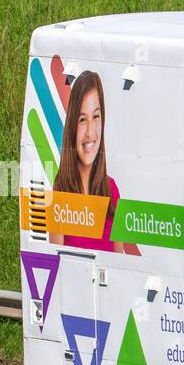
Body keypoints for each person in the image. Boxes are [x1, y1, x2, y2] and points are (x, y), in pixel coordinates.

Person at [51, 70, 139, 255]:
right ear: (72, 127)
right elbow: (56, 256)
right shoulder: (61, 188)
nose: (90, 132)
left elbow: (118, 261)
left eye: (96, 117)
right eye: (82, 119)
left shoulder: (111, 190)